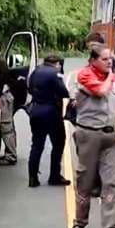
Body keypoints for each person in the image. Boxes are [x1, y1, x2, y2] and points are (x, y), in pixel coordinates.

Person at [70, 44, 115, 228]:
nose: (109, 62)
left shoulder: (113, 79)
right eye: (105, 59)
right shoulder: (85, 75)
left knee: (110, 182)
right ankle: (80, 222)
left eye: (110, 59)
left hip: (110, 135)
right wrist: (111, 76)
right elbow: (101, 91)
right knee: (85, 180)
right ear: (93, 60)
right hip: (90, 133)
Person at [27, 54, 70, 187]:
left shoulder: (36, 71)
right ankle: (54, 176)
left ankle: (33, 178)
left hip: (35, 111)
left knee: (37, 145)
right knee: (58, 143)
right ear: (57, 63)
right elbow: (64, 92)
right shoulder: (55, 73)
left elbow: (29, 88)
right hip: (51, 113)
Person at [0, 58, 17, 165]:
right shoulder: (2, 64)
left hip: (4, 99)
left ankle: (11, 156)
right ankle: (11, 153)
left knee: (6, 128)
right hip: (7, 98)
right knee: (9, 127)